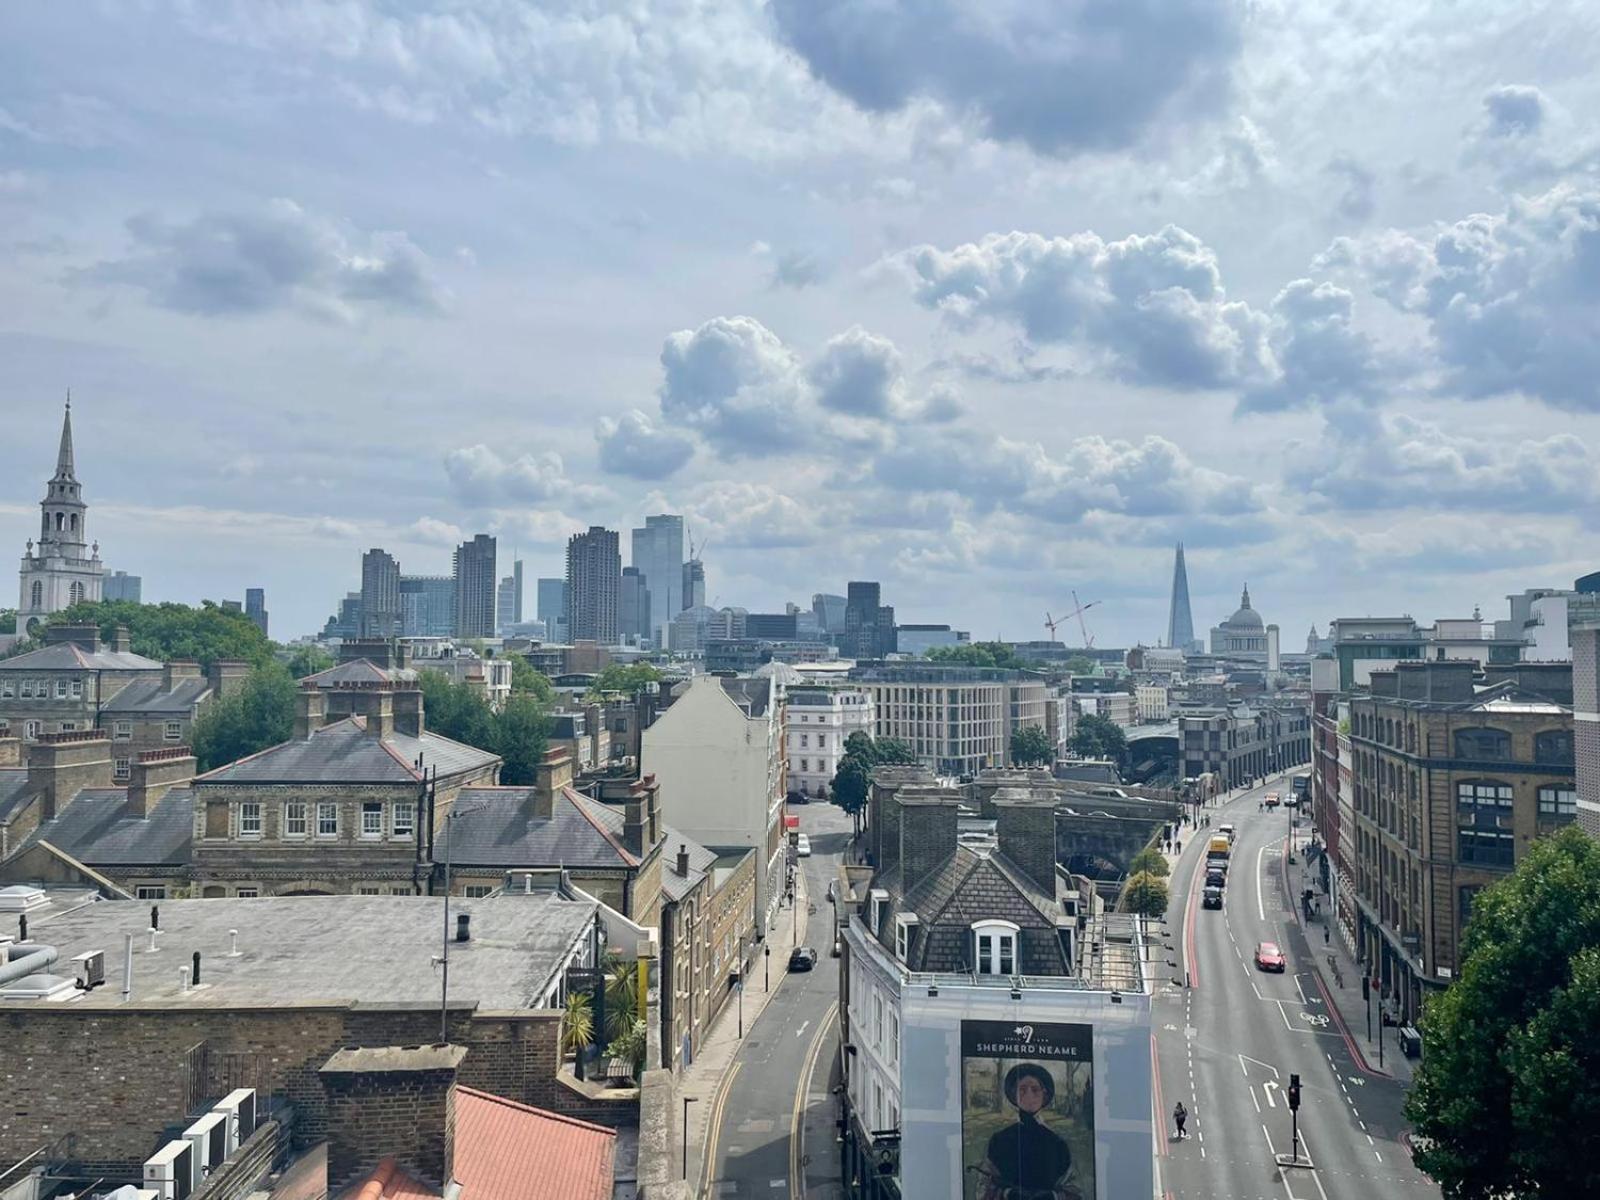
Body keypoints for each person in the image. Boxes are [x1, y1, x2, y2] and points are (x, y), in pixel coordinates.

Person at [976, 1064, 1080, 1200]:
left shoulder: (1057, 1144)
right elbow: (983, 1188)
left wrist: (1052, 1196)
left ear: (1045, 1094)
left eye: (1035, 1090)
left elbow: (1075, 1191)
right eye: (1023, 1090)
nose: (1029, 1095)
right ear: (1014, 1095)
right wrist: (1007, 1194)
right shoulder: (999, 1140)